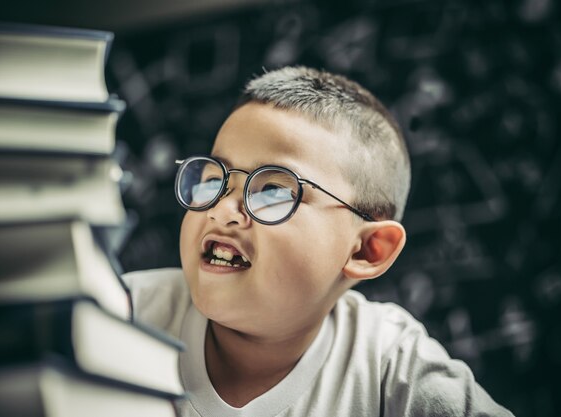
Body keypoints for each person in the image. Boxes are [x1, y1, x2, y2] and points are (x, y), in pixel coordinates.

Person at [122, 66, 514, 417]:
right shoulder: (118, 312)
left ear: (366, 250)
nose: (221, 211)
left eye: (273, 191)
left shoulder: (391, 368)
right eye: (213, 179)